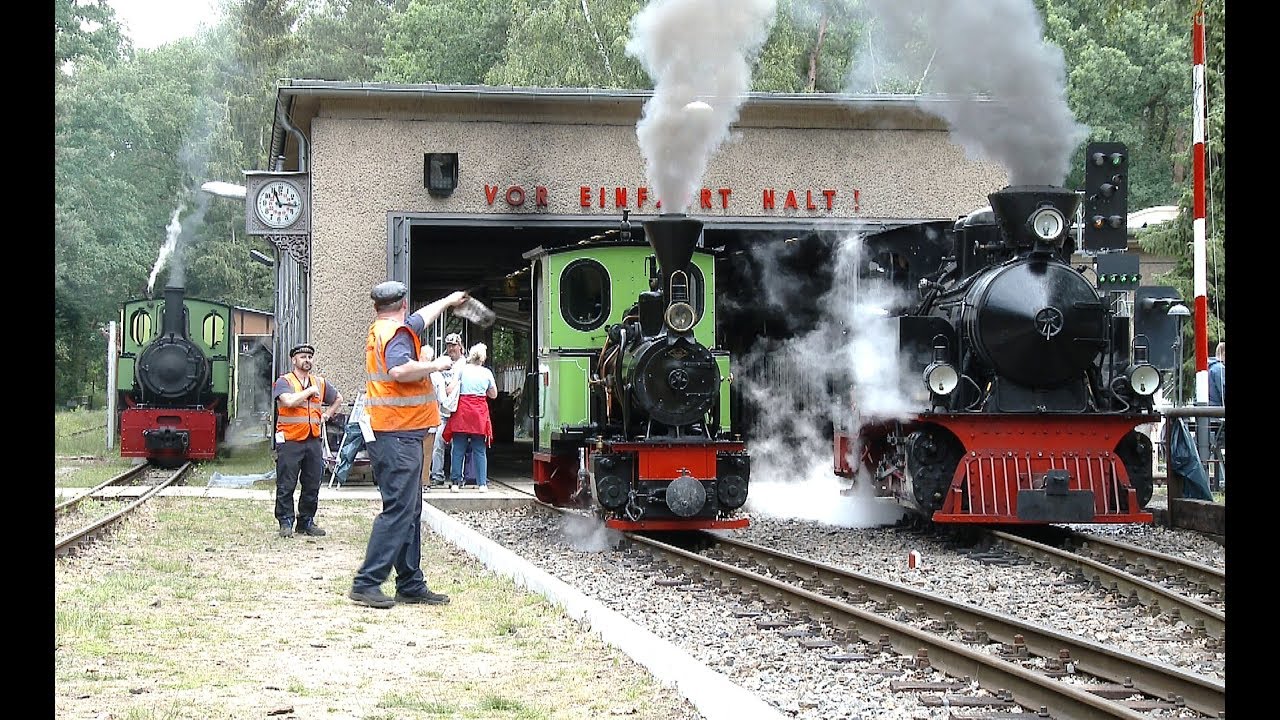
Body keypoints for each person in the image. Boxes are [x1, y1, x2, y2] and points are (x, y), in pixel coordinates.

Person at [348, 281, 468, 609]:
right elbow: (400, 370)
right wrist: (437, 365)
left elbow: (419, 320)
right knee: (399, 509)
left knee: (410, 509)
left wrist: (447, 299)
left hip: (398, 433)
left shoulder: (386, 328)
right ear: (402, 303)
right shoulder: (397, 335)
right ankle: (367, 582)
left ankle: (410, 583)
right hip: (397, 434)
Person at [273, 343, 343, 538]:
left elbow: (338, 398)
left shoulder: (319, 382)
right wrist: (309, 392)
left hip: (313, 439)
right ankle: (285, 522)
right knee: (286, 483)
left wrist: (327, 415)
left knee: (312, 482)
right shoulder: (284, 381)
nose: (307, 360)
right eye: (303, 357)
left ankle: (306, 522)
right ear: (294, 360)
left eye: (309, 357)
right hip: (290, 440)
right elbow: (288, 401)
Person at [443, 343, 498, 492]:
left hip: (462, 410)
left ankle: (455, 482)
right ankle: (482, 484)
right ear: (483, 358)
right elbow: (494, 394)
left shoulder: (462, 370)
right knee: (479, 449)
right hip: (479, 411)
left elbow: (449, 389)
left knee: (458, 448)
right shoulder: (487, 373)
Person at [428, 333, 466, 489]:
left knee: (458, 446)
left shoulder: (465, 364)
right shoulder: (443, 362)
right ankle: (437, 475)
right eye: (449, 345)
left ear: (460, 346)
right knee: (437, 442)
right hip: (442, 411)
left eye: (454, 345)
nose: (451, 348)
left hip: (457, 411)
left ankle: (457, 477)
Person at [1207, 341, 1225, 487]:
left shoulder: (1208, 368)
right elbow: (1224, 392)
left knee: (1215, 448)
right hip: (1217, 415)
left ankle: (1219, 480)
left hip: (1208, 416)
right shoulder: (1219, 369)